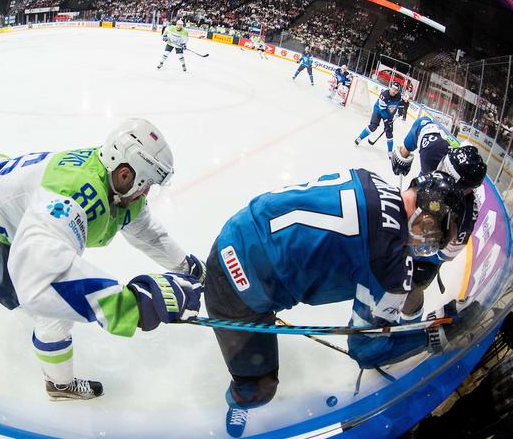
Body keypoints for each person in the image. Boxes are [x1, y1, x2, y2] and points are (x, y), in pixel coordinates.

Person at [0, 119, 205, 401]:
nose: (146, 194)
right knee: (51, 315)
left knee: (52, 283)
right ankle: (59, 385)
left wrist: (186, 267)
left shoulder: (115, 180)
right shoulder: (75, 199)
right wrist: (131, 305)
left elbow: (146, 232)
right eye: (147, 185)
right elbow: (42, 281)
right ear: (127, 175)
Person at [203, 168, 471, 437]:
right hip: (237, 289)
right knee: (260, 387)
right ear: (428, 219)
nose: (433, 245)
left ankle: (265, 307)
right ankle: (242, 397)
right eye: (439, 236)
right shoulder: (389, 265)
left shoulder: (371, 178)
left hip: (236, 231)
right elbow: (365, 350)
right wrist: (432, 334)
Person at [391, 117, 487, 290]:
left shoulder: (465, 217)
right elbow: (423, 123)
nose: (438, 178)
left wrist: (415, 252)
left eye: (449, 180)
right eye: (441, 168)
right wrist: (404, 152)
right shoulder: (435, 151)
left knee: (415, 282)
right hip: (408, 214)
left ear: (467, 191)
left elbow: (442, 255)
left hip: (423, 243)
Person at [354, 81, 404, 158]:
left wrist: (401, 110)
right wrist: (386, 121)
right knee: (373, 126)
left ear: (398, 91)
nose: (393, 91)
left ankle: (390, 152)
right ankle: (359, 138)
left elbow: (401, 103)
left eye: (396, 90)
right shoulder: (384, 94)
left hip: (389, 114)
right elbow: (382, 109)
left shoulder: (399, 96)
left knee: (389, 132)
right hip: (378, 110)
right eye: (393, 88)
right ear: (390, 87)